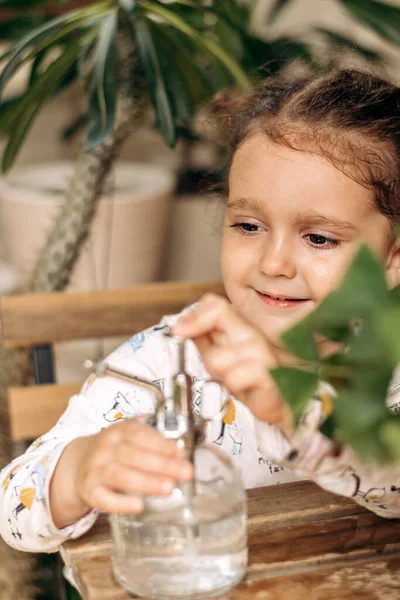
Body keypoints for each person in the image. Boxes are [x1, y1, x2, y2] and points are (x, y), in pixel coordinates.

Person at [1, 68, 400, 555]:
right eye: (249, 226)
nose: (273, 263)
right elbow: (13, 510)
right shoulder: (171, 359)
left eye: (319, 237)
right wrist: (78, 471)